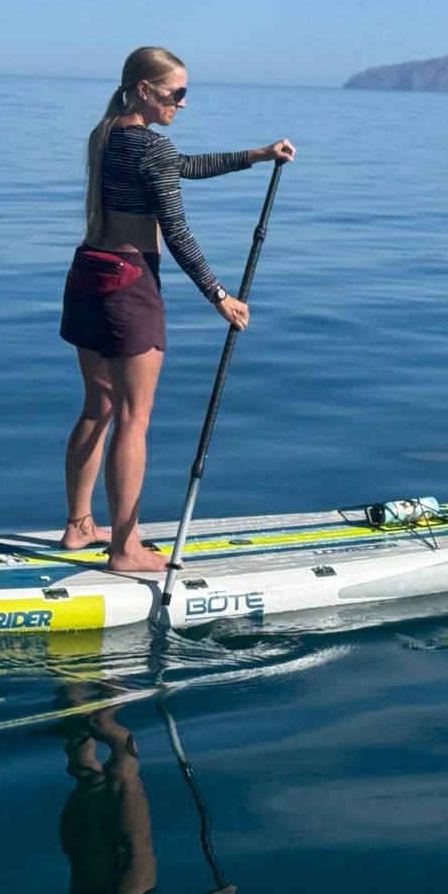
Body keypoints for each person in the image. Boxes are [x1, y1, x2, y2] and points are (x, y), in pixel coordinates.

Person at [59, 46, 295, 571]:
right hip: (130, 288)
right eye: (176, 93)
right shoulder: (152, 148)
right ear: (145, 88)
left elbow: (182, 165)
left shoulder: (106, 135)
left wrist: (255, 155)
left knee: (97, 408)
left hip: (87, 276)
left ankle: (79, 526)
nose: (183, 103)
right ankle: (125, 548)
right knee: (133, 418)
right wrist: (220, 295)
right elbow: (179, 233)